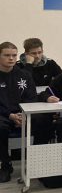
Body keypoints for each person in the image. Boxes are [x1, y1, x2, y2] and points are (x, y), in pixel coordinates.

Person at [0, 42, 52, 182]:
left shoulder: (24, 75)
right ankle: (6, 165)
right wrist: (10, 115)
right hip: (4, 115)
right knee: (0, 127)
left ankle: (35, 161)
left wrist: (24, 114)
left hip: (24, 113)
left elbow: (32, 97)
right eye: (7, 55)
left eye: (14, 55)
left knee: (45, 120)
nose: (11, 58)